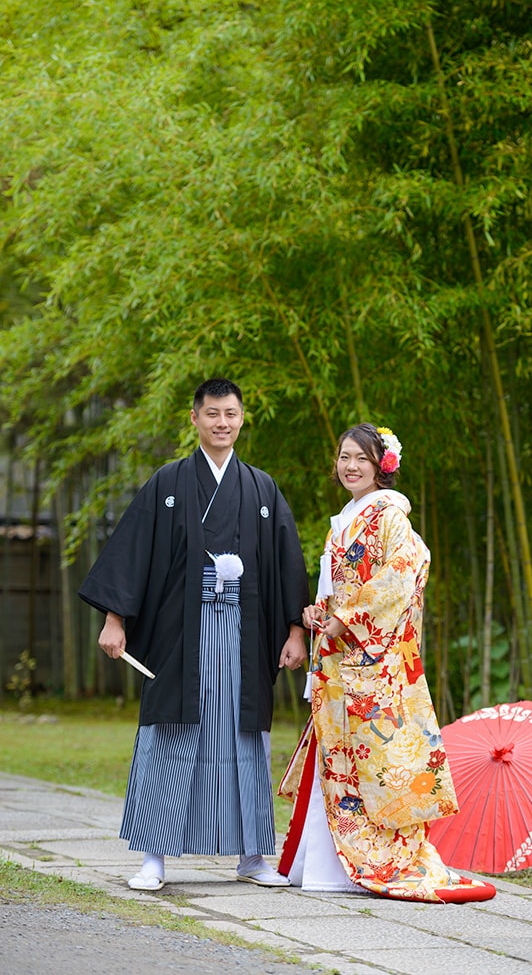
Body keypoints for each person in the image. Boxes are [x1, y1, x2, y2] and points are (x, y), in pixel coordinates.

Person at [79, 378, 309, 890]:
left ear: (242, 418)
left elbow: (285, 564)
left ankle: (252, 855)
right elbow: (133, 550)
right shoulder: (168, 482)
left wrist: (295, 629)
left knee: (243, 737)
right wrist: (114, 619)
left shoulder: (261, 488)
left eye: (230, 413)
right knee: (171, 735)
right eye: (212, 414)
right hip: (180, 634)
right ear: (194, 419)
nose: (221, 423)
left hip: (246, 632)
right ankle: (154, 857)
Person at [277, 423, 495, 903]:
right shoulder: (347, 518)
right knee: (338, 759)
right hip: (341, 657)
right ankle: (322, 866)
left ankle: (373, 860)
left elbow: (402, 575)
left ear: (382, 467)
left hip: (373, 663)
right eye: (344, 456)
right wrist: (319, 612)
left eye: (362, 458)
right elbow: (334, 589)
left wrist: (346, 619)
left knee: (376, 765)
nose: (350, 466)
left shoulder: (390, 515)